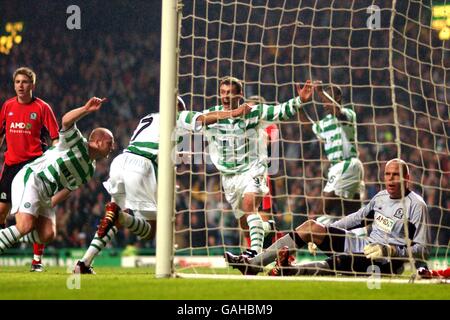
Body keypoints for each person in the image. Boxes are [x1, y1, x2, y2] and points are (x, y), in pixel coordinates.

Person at [74, 96, 253, 274]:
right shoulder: (176, 116)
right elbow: (203, 118)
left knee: (110, 220)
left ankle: (84, 262)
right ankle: (121, 217)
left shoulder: (148, 118)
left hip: (120, 162)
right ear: (177, 107)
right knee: (151, 229)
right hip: (141, 166)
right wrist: (235, 112)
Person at [225, 158, 430, 277]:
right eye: (387, 174)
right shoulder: (381, 197)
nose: (390, 179)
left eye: (396, 175)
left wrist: (390, 249)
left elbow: (422, 250)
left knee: (341, 261)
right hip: (365, 245)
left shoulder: (416, 206)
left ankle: (289, 271)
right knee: (311, 227)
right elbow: (356, 218)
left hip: (386, 261)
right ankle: (253, 265)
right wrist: (326, 232)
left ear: (407, 178)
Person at [194, 77, 314, 256]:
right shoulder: (213, 114)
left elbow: (280, 111)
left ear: (240, 94)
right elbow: (197, 120)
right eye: (223, 92)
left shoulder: (253, 112)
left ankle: (253, 254)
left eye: (230, 92)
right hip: (229, 177)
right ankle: (266, 227)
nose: (225, 96)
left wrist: (300, 101)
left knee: (250, 207)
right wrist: (232, 114)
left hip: (253, 169)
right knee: (245, 224)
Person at [0, 97, 114, 258]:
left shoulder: (89, 169)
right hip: (33, 178)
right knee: (25, 226)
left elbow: (68, 189)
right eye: (110, 142)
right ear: (98, 142)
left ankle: (15, 235)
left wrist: (49, 203)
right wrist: (86, 109)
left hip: (45, 192)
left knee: (47, 234)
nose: (113, 147)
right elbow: (66, 121)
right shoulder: (75, 142)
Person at [0, 67, 60, 272]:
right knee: (1, 211)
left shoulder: (43, 108)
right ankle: (5, 244)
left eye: (25, 82)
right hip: (11, 166)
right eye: (17, 82)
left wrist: (49, 161)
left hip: (33, 167)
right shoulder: (7, 106)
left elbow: (55, 138)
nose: (20, 86)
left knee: (32, 217)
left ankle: (36, 261)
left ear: (32, 85)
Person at [298, 83, 365, 219]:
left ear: (338, 97)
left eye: (327, 99)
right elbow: (309, 128)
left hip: (346, 164)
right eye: (322, 101)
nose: (324, 104)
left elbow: (337, 111)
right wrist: (299, 103)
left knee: (318, 212)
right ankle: (361, 238)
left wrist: (321, 92)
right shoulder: (325, 122)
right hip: (340, 168)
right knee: (351, 216)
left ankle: (308, 236)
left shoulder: (348, 114)